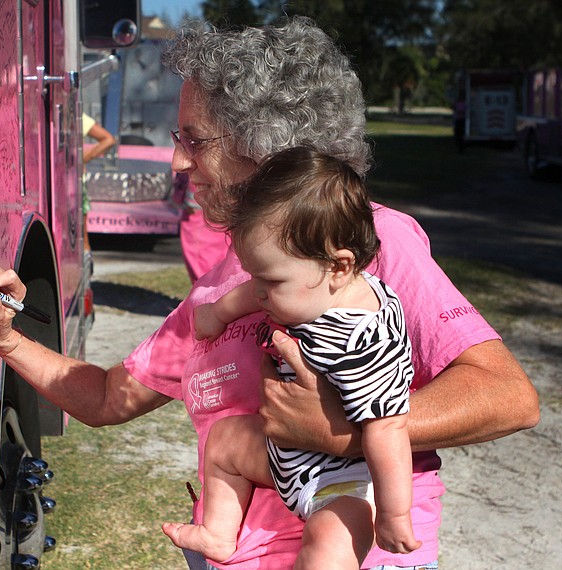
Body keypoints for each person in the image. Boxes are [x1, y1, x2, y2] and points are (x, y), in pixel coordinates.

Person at [0, 16, 539, 570]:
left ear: (267, 147)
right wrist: (7, 339)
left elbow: (506, 394)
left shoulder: (366, 242)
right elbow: (108, 398)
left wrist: (343, 428)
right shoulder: (226, 282)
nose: (178, 160)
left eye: (195, 139)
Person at [162, 146, 421, 568]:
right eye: (256, 276)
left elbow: (389, 428)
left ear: (339, 267)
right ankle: (218, 534)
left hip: (341, 483)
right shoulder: (312, 284)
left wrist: (394, 515)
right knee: (225, 439)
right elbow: (252, 291)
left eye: (272, 281)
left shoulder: (362, 339)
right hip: (283, 458)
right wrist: (216, 313)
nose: (260, 292)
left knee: (327, 552)